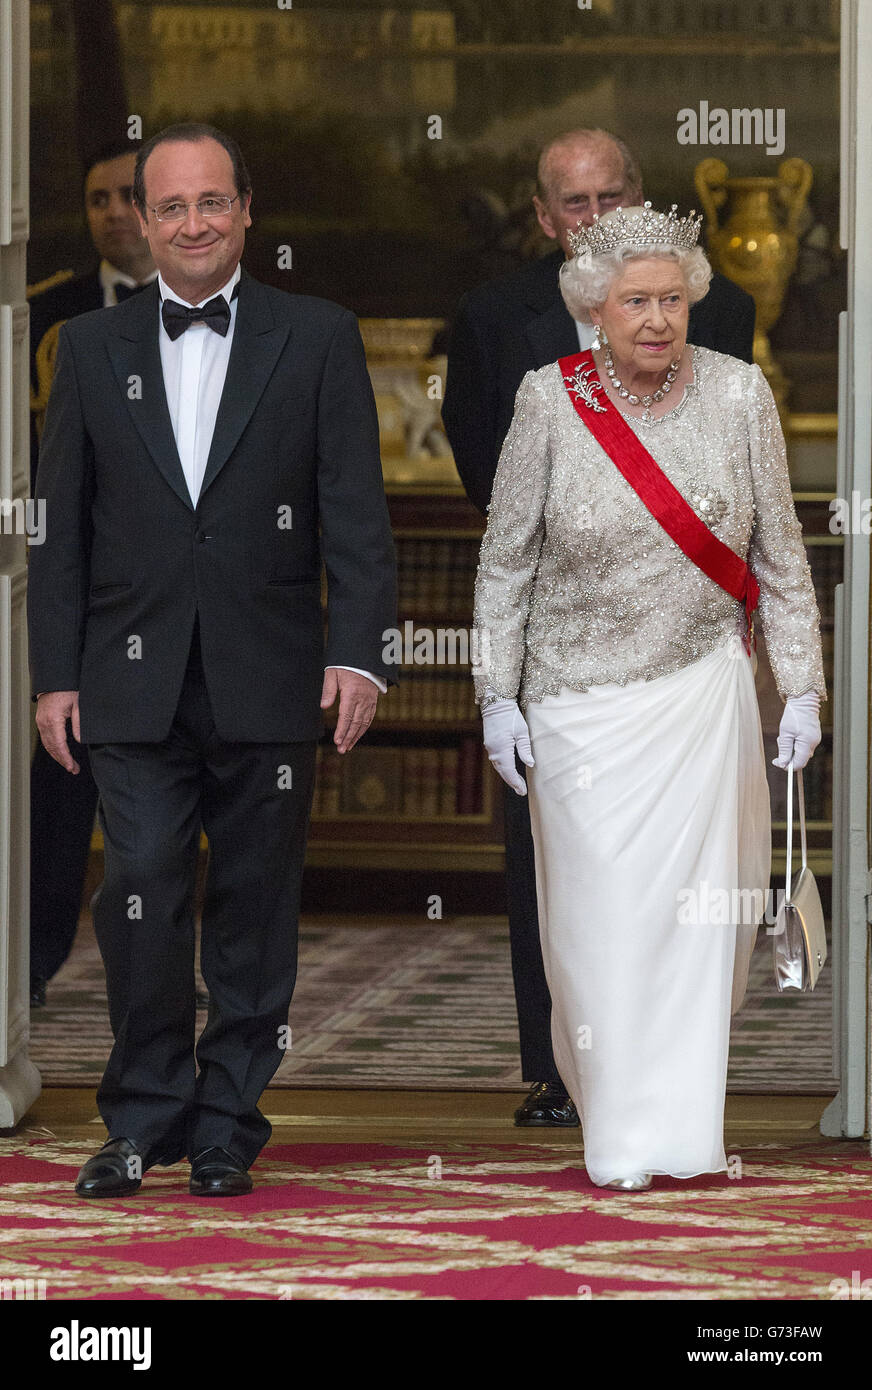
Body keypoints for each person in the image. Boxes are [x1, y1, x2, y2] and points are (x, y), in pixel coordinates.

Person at [28, 123, 397, 1199]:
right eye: (171, 207)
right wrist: (57, 674)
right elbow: (62, 525)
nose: (192, 224)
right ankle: (141, 1117)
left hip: (269, 675)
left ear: (246, 212)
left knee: (252, 905)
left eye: (211, 203)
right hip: (127, 679)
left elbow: (354, 514)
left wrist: (359, 655)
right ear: (143, 221)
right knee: (139, 886)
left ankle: (230, 1118)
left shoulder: (318, 336)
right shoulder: (90, 351)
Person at [472, 202, 825, 1190]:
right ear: (596, 306)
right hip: (577, 713)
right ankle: (615, 1122)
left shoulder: (737, 394)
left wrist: (797, 687)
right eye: (635, 301)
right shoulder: (548, 400)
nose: (656, 319)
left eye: (671, 299)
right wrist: (497, 696)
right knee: (597, 931)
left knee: (691, 926)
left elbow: (780, 559)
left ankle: (680, 1129)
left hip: (700, 702)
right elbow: (504, 565)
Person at [443, 128, 757, 1129]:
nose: (594, 219)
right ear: (542, 219)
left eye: (610, 196)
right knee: (555, 863)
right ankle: (559, 1065)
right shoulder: (495, 321)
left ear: (641, 197)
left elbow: (734, 480)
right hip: (557, 642)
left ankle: (673, 1060)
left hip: (683, 638)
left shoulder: (724, 309)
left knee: (682, 866)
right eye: (571, 205)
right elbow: (484, 483)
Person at [28, 141, 157, 1009]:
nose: (113, 212)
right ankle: (27, 976)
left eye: (128, 196)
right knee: (55, 803)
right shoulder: (47, 318)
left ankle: (154, 979)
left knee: (157, 820)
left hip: (174, 595)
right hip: (80, 593)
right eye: (96, 197)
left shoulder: (232, 318)